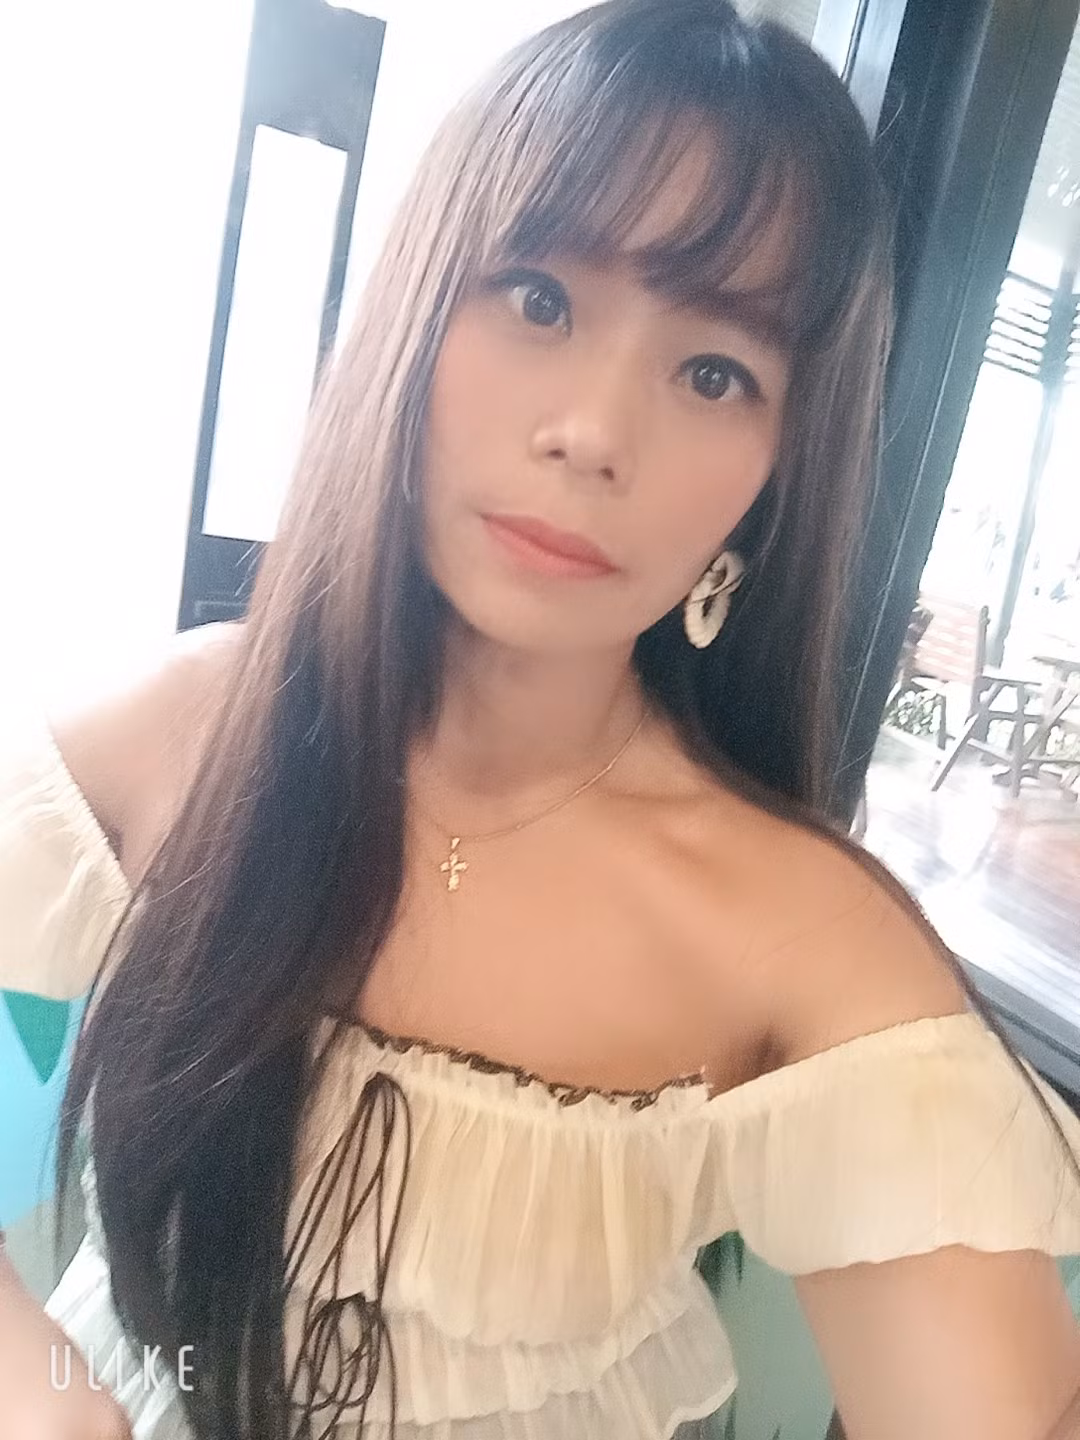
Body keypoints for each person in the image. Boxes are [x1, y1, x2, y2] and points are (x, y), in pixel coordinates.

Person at [2, 2, 1080, 1437]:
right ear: (416, 304)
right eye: (538, 298)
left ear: (776, 475)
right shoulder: (183, 735)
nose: (595, 431)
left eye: (715, 372)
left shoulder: (792, 934)